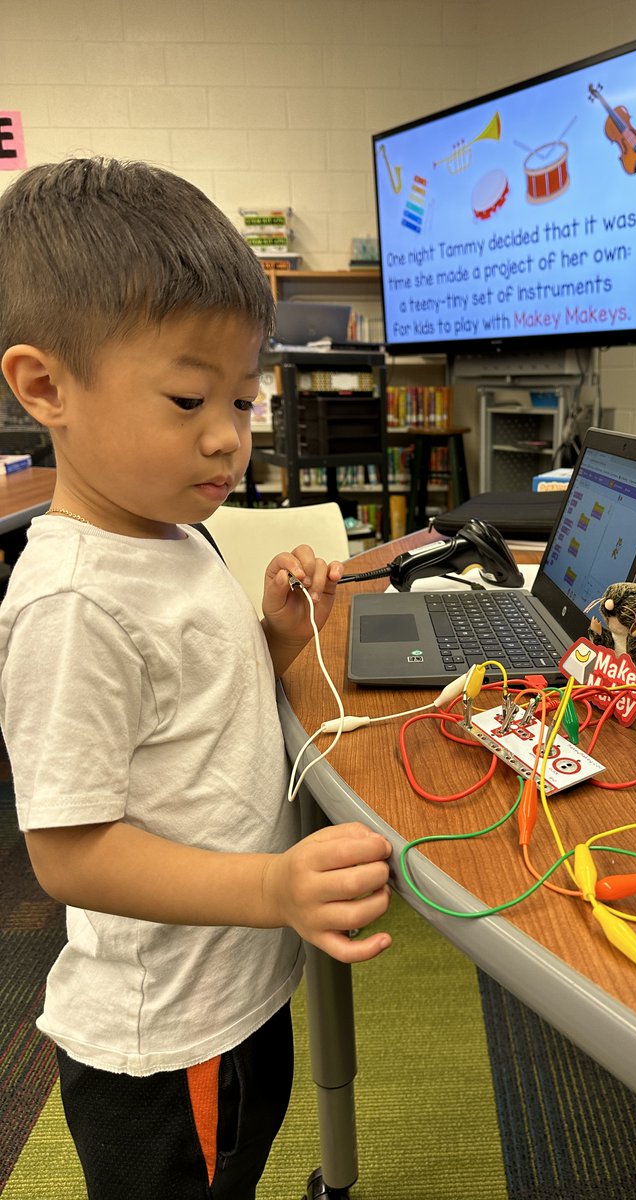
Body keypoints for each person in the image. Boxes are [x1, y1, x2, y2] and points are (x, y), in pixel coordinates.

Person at [0, 157, 392, 1199]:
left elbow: (189, 716)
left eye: (244, 398)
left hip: (236, 986)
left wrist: (272, 636)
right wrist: (272, 887)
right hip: (170, 1042)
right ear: (46, 387)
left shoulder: (173, 533)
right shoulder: (73, 602)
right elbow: (69, 853)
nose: (229, 437)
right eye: (187, 398)